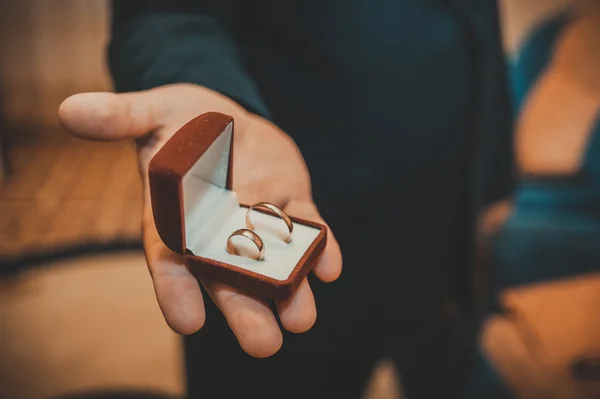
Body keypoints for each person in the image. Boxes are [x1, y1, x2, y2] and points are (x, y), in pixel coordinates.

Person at [58, 1, 514, 398]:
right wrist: (202, 87)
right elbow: (168, 12)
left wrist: (495, 177)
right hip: (294, 197)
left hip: (444, 232)